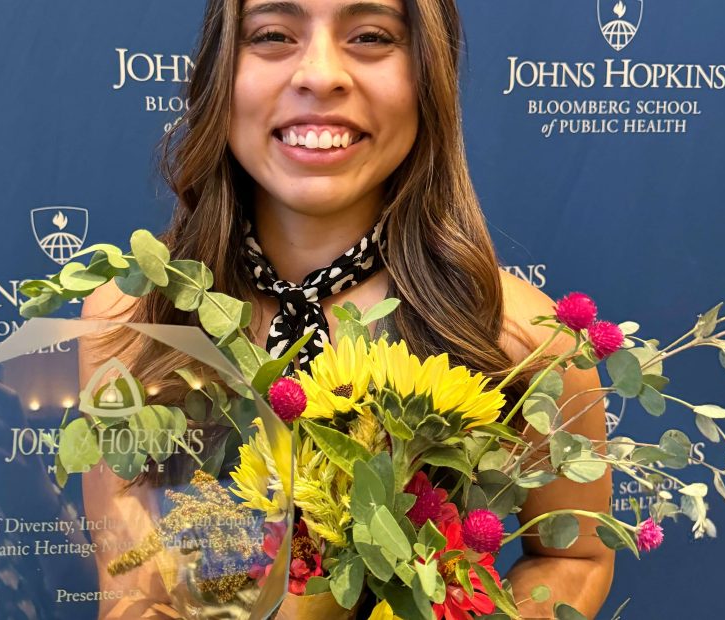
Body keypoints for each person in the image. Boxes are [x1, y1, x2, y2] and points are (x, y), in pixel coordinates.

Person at [80, 0, 614, 617]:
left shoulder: (522, 335)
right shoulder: (126, 321)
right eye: (273, 34)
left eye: (371, 36)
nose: (321, 73)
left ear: (427, 78)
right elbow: (131, 582)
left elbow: (573, 557)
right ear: (219, 74)